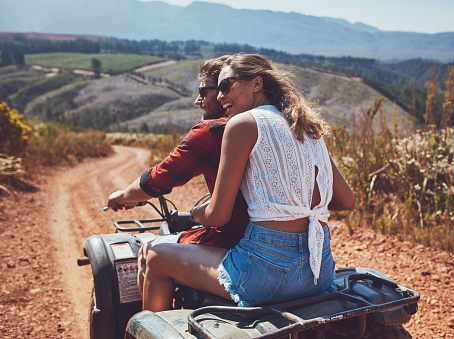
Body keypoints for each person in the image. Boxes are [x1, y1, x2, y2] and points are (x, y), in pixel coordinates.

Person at [133, 53, 355, 312]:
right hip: (319, 274)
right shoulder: (306, 127)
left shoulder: (242, 124)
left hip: (267, 277)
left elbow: (217, 215)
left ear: (256, 84)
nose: (219, 96)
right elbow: (346, 201)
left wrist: (193, 215)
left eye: (225, 85)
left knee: (156, 256)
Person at [106, 55, 249, 295]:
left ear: (228, 89)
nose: (197, 100)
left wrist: (124, 195)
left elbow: (161, 177)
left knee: (149, 251)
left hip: (233, 241)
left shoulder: (212, 131)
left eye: (204, 92)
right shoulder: (278, 123)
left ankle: (148, 326)